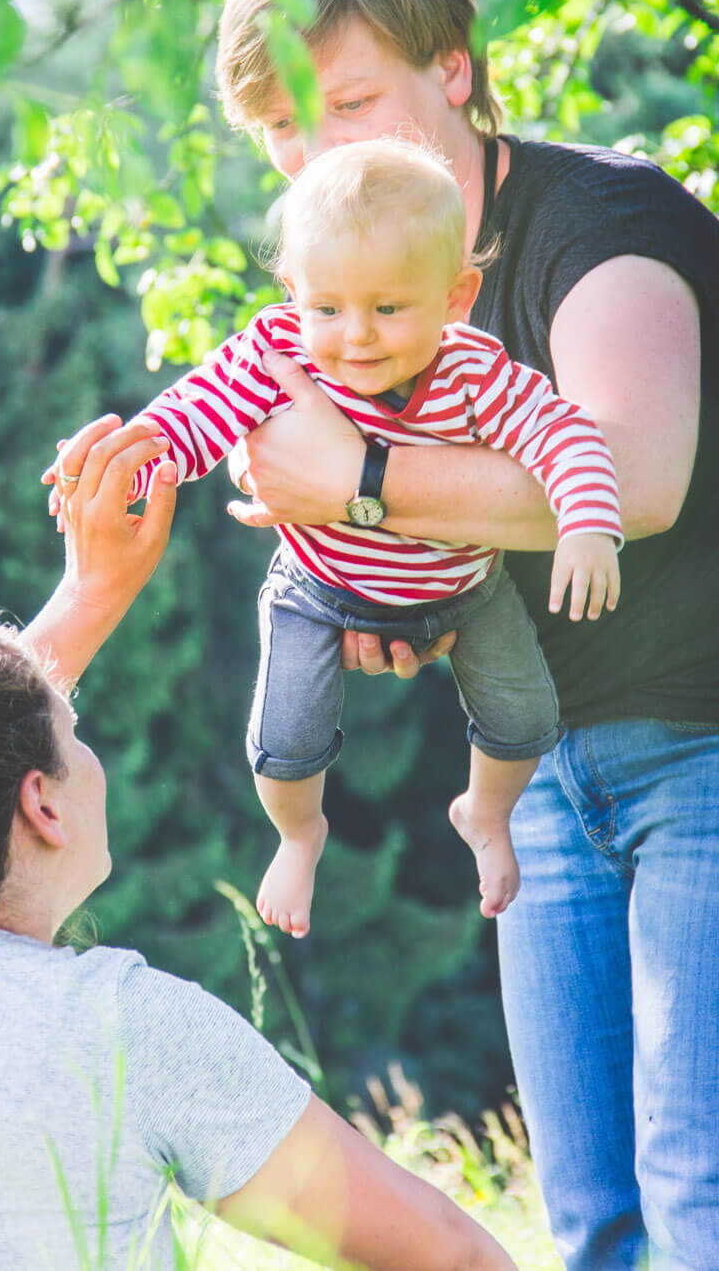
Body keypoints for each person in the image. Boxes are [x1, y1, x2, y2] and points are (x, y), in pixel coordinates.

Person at [213, 0, 719, 1271]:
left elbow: (641, 473)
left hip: (703, 758)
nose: (318, 157)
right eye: (281, 135)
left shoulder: (607, 222)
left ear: (455, 70)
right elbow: (451, 540)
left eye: (351, 103)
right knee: (593, 1221)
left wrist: (359, 477)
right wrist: (396, 610)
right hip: (543, 779)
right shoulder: (369, 302)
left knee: (701, 1196)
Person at [0, 418, 516, 1271]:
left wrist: (90, 594)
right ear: (43, 807)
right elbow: (455, 1260)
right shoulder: (118, 1028)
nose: (86, 748)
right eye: (76, 733)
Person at [50, 138, 621, 938]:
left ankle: (486, 813)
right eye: (328, 308)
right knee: (286, 739)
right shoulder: (278, 352)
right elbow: (191, 416)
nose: (356, 337)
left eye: (390, 308)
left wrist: (589, 525)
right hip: (318, 589)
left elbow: (568, 438)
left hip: (465, 588)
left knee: (526, 716)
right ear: (292, 294)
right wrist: (126, 467)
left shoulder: (475, 373)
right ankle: (299, 833)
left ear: (456, 296)